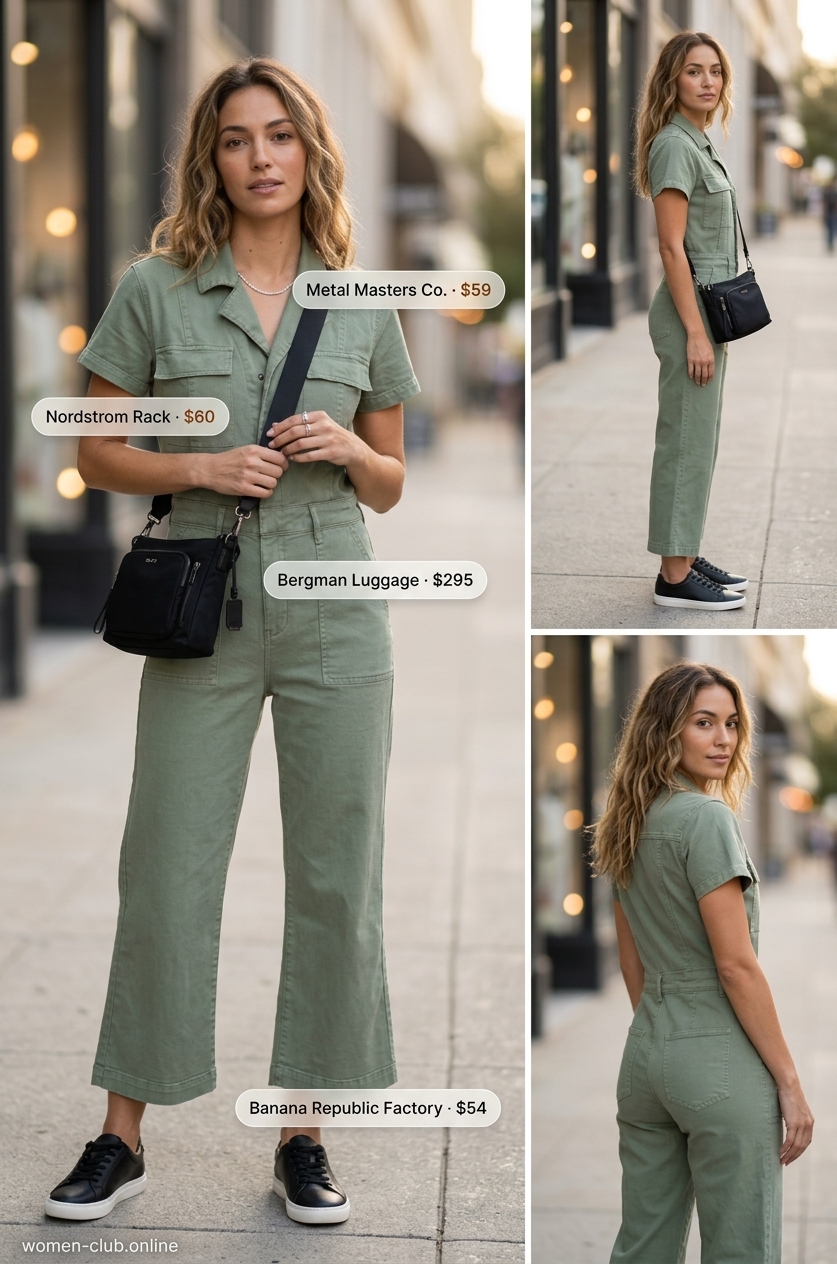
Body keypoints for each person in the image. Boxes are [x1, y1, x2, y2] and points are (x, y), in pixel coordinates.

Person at [44, 57, 419, 1226]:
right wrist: (199, 463)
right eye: (235, 140)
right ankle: (122, 1132)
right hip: (202, 596)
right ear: (210, 159)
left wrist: (348, 453)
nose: (259, 158)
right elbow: (95, 447)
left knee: (334, 871)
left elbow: (393, 478)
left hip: (334, 601)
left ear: (311, 151)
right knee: (164, 863)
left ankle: (303, 1130)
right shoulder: (157, 287)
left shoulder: (359, 295)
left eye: (279, 137)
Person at [591, 662, 814, 1263]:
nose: (723, 739)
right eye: (704, 723)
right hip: (719, 1060)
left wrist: (664, 1037)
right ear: (666, 731)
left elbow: (630, 959)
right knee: (741, 1248)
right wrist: (789, 1085)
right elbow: (736, 966)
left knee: (643, 1245)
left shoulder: (627, 822)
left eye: (733, 724)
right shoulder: (707, 819)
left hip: (647, 1058)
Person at [634, 33, 749, 610]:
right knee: (684, 440)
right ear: (672, 81)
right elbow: (671, 248)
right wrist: (697, 333)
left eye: (715, 71)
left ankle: (685, 551)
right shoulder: (675, 146)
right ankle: (673, 576)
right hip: (689, 315)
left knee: (699, 440)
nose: (708, 81)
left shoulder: (698, 141)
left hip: (703, 312)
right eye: (694, 72)